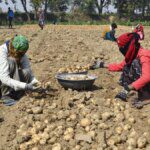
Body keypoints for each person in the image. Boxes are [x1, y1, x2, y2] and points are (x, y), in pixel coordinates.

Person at [91, 24, 150, 108]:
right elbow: (121, 66)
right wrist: (102, 65)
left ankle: (146, 98)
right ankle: (140, 92)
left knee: (135, 64)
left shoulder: (144, 55)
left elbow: (147, 76)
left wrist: (128, 88)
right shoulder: (134, 53)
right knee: (127, 67)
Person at [0, 35, 41, 106]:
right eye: (21, 53)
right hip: (2, 79)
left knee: (26, 72)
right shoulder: (2, 51)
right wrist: (26, 86)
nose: (22, 55)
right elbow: (4, 78)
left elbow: (28, 70)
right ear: (15, 50)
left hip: (8, 79)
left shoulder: (21, 54)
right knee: (12, 61)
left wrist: (35, 82)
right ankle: (5, 96)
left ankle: (15, 93)